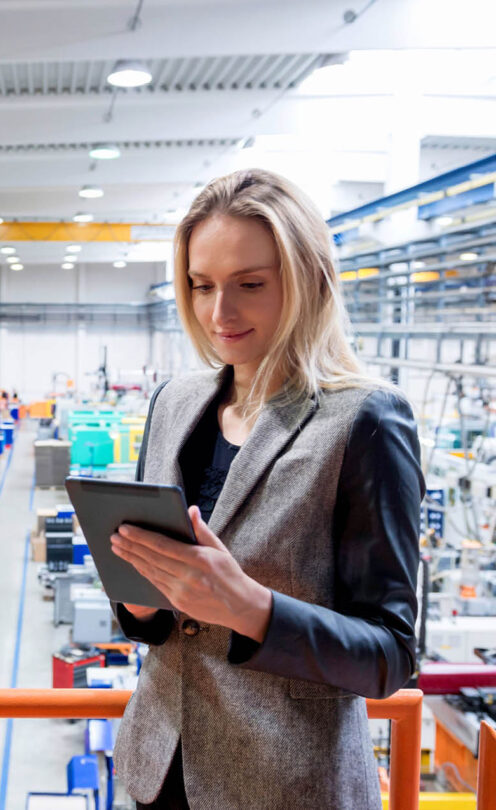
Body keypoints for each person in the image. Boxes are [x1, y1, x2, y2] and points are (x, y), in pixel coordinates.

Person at [109, 169, 424, 810]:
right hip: (158, 770)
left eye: (250, 285)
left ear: (307, 279)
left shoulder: (364, 420)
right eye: (201, 286)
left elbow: (388, 657)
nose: (219, 313)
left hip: (286, 785)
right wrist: (141, 602)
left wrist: (251, 608)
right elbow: (171, 622)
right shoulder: (174, 402)